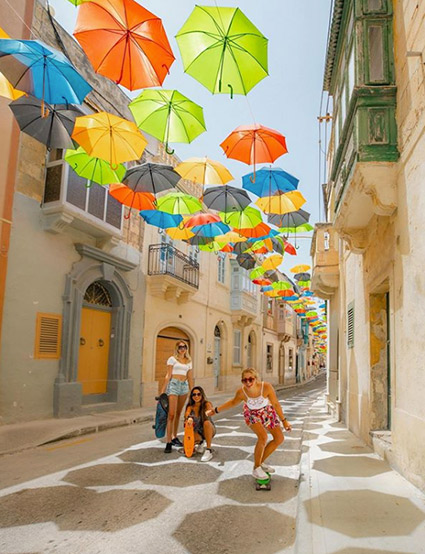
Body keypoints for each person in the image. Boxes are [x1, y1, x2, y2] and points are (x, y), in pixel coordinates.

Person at [206, 368, 291, 480]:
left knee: (279, 438)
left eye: (250, 379)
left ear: (256, 379)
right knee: (263, 437)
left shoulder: (266, 387)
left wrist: (284, 421)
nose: (248, 383)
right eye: (244, 380)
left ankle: (260, 462)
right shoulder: (242, 392)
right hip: (251, 414)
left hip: (266, 411)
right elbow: (232, 402)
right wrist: (215, 410)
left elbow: (275, 404)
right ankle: (256, 468)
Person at [161, 341, 193, 453]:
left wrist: (192, 392)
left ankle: (174, 437)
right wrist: (162, 391)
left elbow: (190, 377)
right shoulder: (172, 359)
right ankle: (168, 441)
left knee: (179, 413)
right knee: (171, 414)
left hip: (184, 387)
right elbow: (168, 375)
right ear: (177, 348)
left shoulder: (189, 361)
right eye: (180, 347)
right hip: (173, 385)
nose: (182, 349)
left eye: (185, 347)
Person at [184, 386, 216, 462]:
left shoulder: (206, 404)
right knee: (187, 444)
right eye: (194, 394)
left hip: (209, 430)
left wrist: (209, 412)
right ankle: (200, 443)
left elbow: (210, 410)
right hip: (198, 431)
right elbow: (187, 414)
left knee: (206, 422)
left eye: (198, 394)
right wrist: (189, 418)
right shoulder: (190, 407)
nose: (196, 396)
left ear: (202, 395)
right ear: (191, 396)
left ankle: (208, 450)